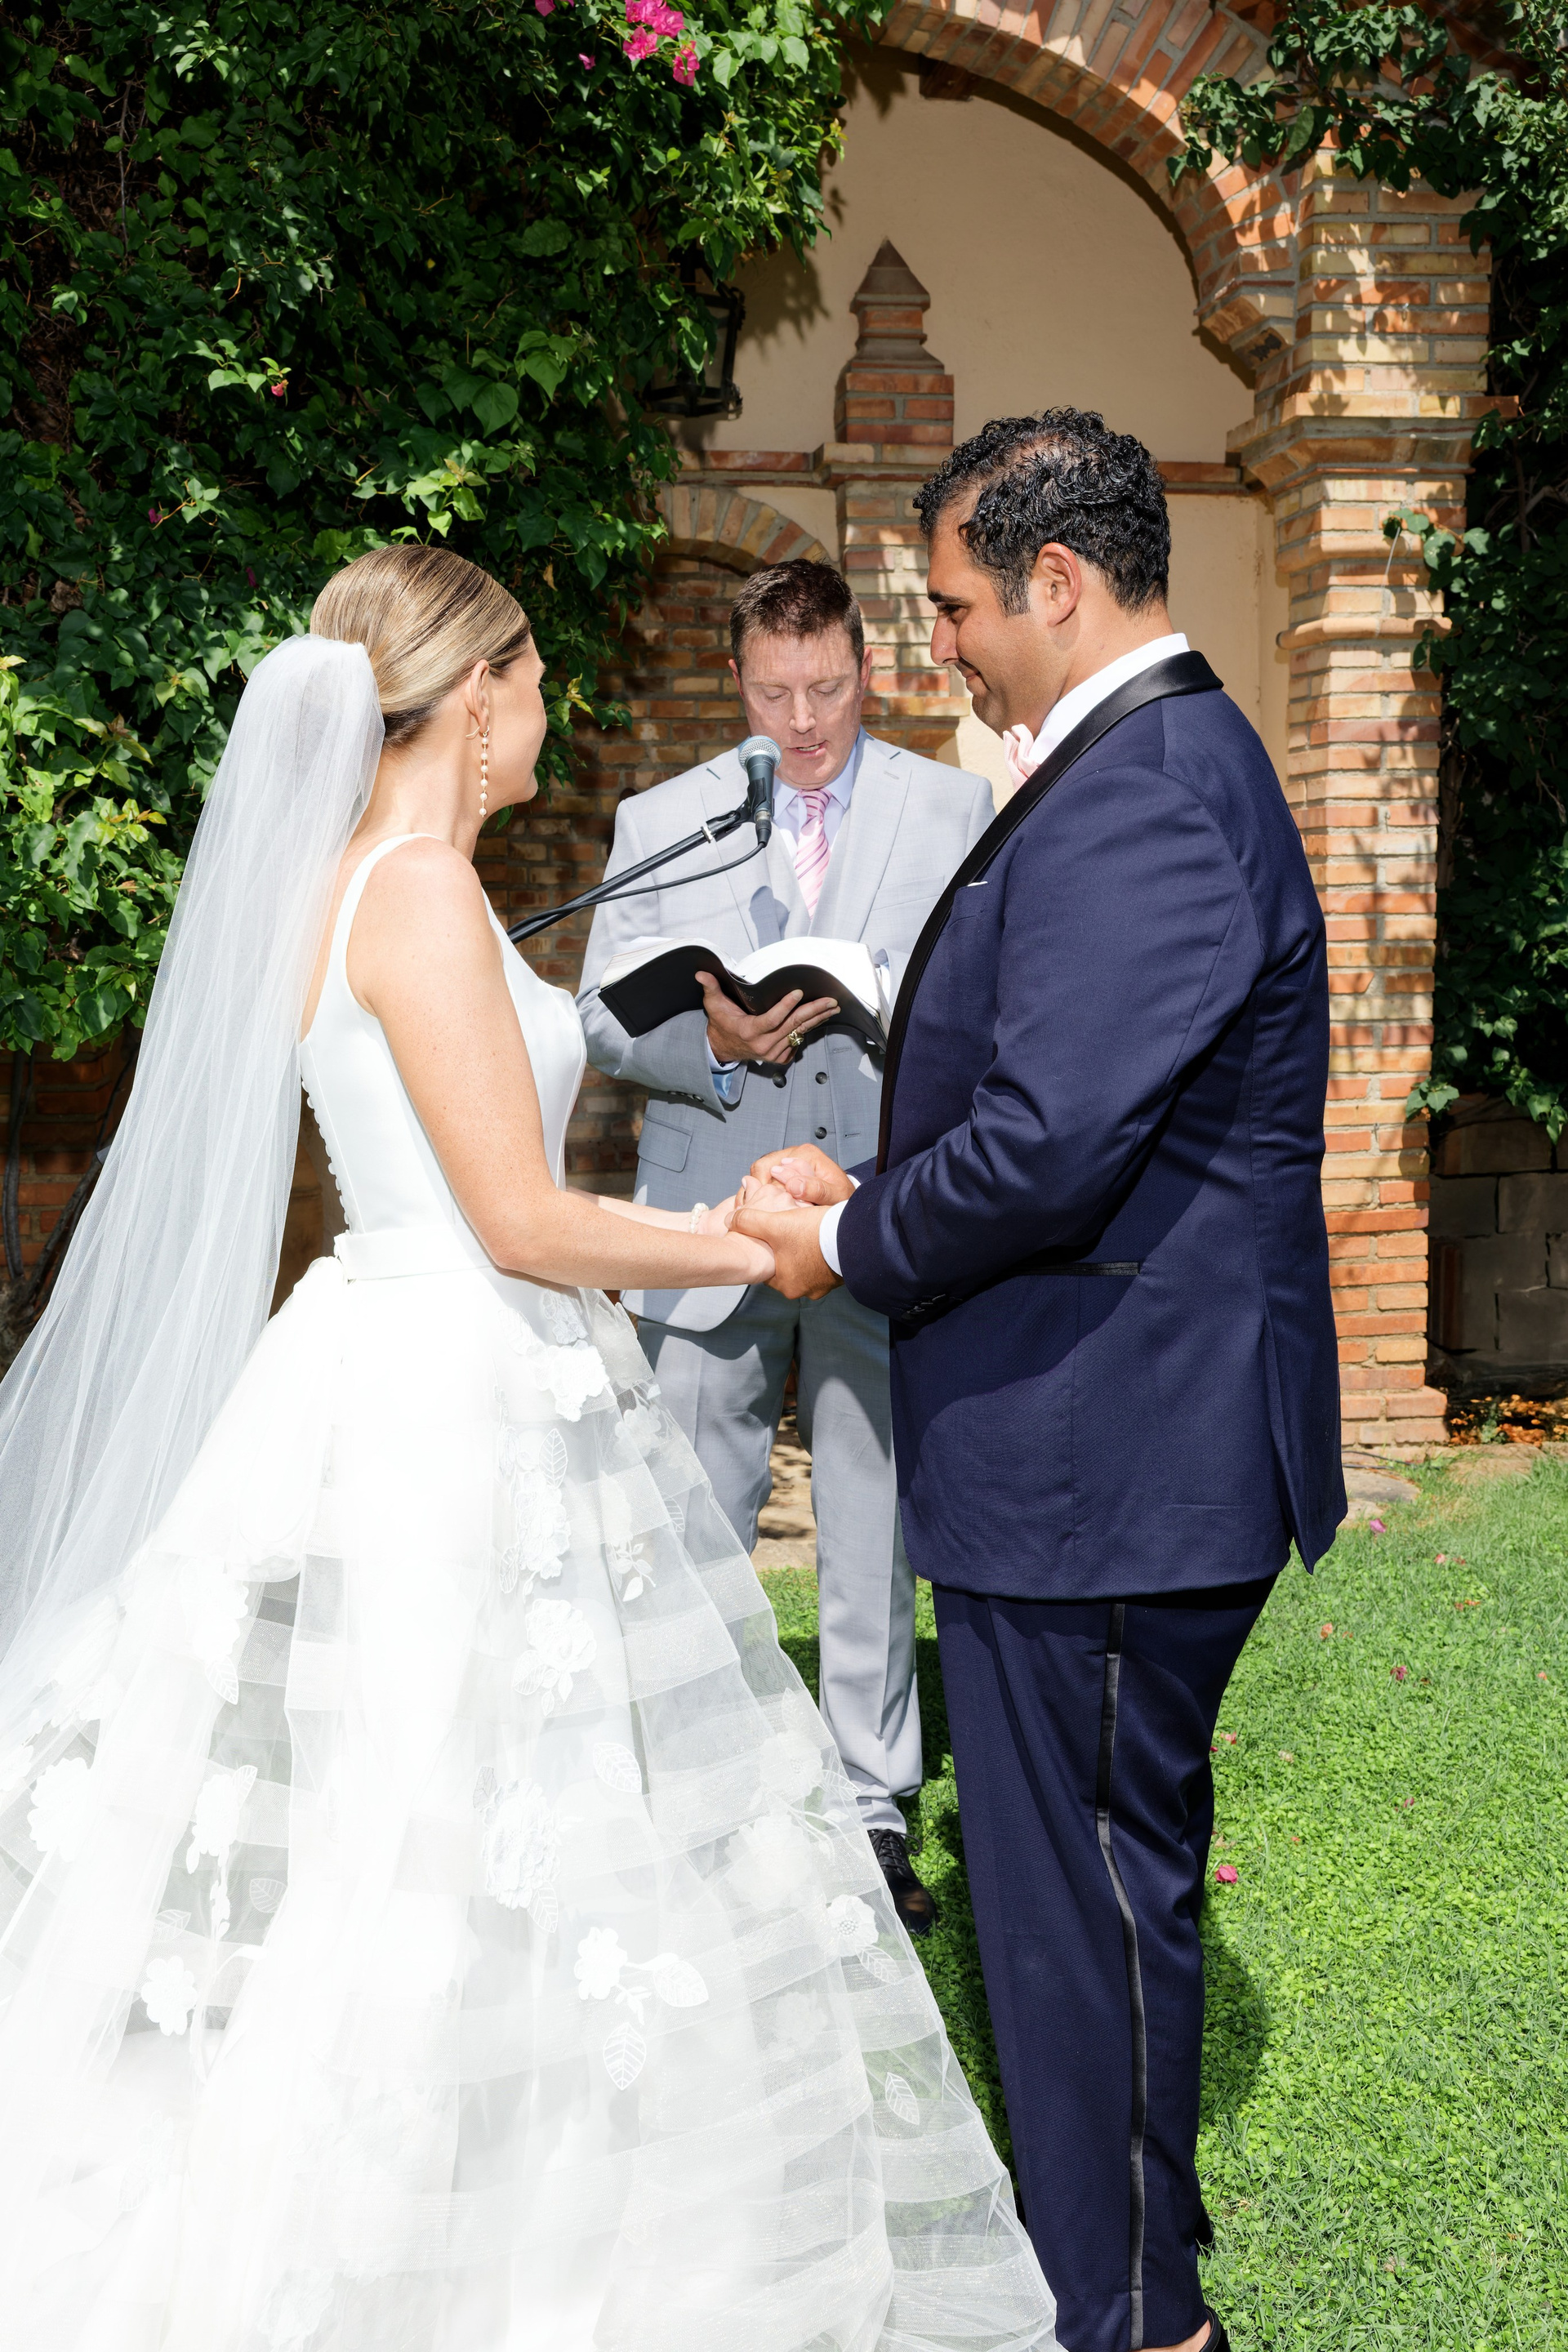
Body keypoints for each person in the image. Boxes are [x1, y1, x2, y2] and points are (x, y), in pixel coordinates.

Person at [0, 546, 1057, 2349]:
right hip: (449, 1384)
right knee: (438, 1812)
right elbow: (519, 1220)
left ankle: (492, 2178)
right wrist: (762, 1243)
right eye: (540, 677)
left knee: (479, 1801)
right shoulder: (413, 891)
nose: (554, 707)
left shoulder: (380, 880)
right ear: (475, 692)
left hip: (423, 1352)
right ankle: (390, 2237)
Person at [734, 410, 1346, 2352]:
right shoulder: (1135, 765)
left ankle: (1141, 2318)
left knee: (1079, 1910)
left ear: (1058, 584)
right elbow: (1054, 1105)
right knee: (1082, 1898)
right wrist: (870, 1185)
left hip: (1112, 1456)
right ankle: (1127, 2263)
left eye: (960, 606)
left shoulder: (1146, 786)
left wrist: (846, 1241)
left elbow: (1051, 1147)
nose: (945, 646)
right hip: (1095, 1441)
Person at [577, 560, 992, 1934]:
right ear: (736, 681)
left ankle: (872, 1806)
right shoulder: (666, 817)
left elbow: (990, 1001)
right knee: (694, 1516)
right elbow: (600, 1017)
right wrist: (710, 1042)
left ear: (867, 669)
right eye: (773, 693)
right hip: (709, 1216)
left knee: (872, 1519)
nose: (803, 721)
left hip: (877, 1208)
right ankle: (701, 1796)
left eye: (825, 689)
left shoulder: (955, 806)